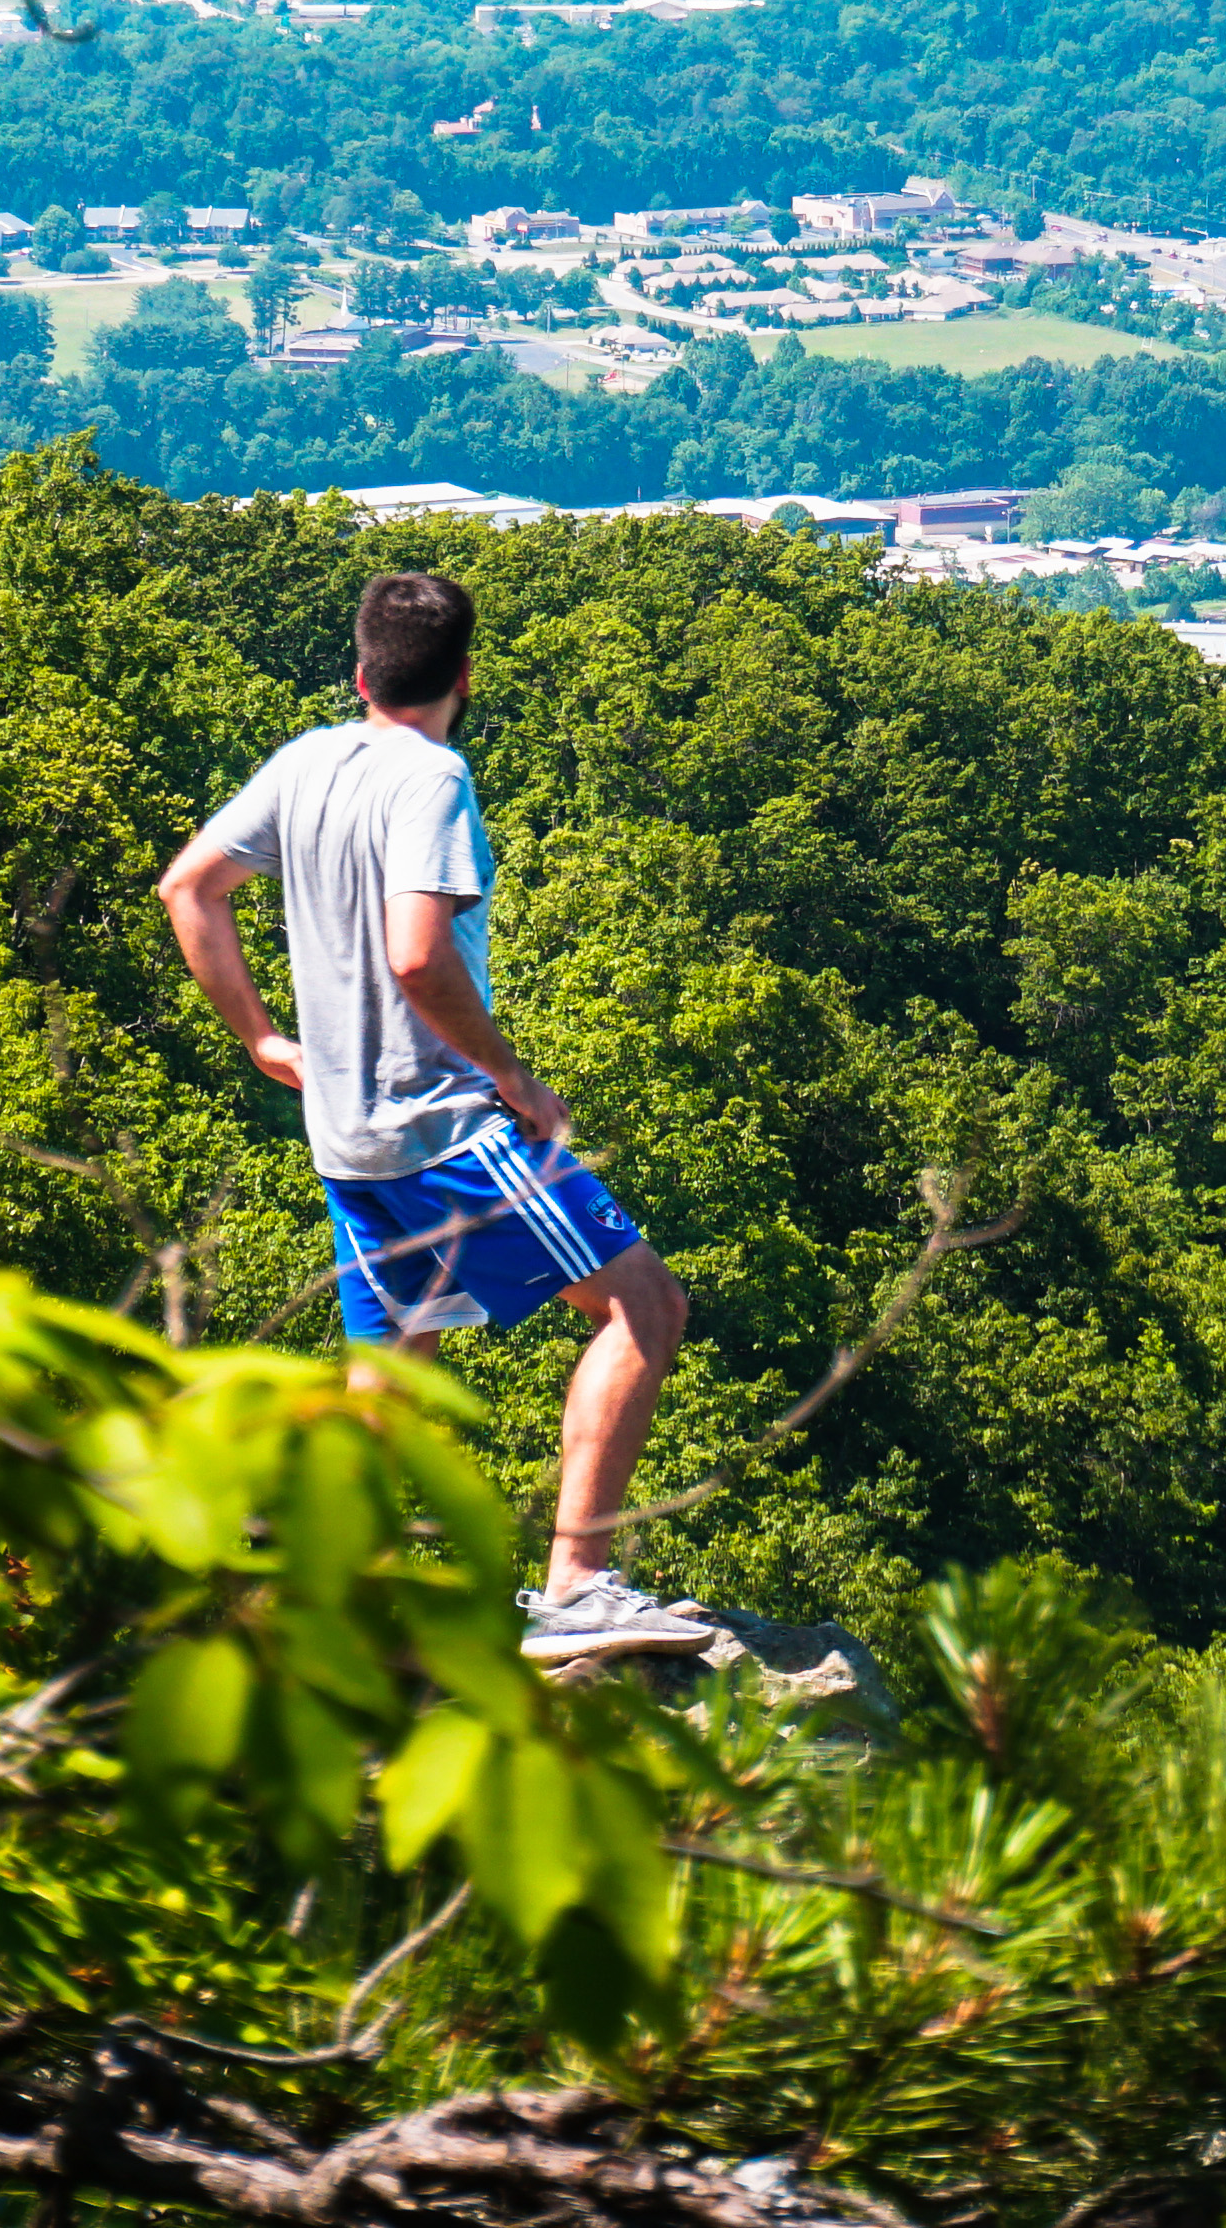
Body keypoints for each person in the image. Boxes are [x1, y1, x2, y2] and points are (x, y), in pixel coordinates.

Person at [152, 566, 728, 1665]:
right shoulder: (433, 779)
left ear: (360, 672)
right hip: (445, 1129)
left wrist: (262, 1041)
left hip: (348, 1135)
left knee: (392, 1373)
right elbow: (417, 955)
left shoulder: (305, 760)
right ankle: (578, 1586)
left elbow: (190, 888)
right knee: (645, 1307)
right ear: (465, 676)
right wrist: (514, 1078)